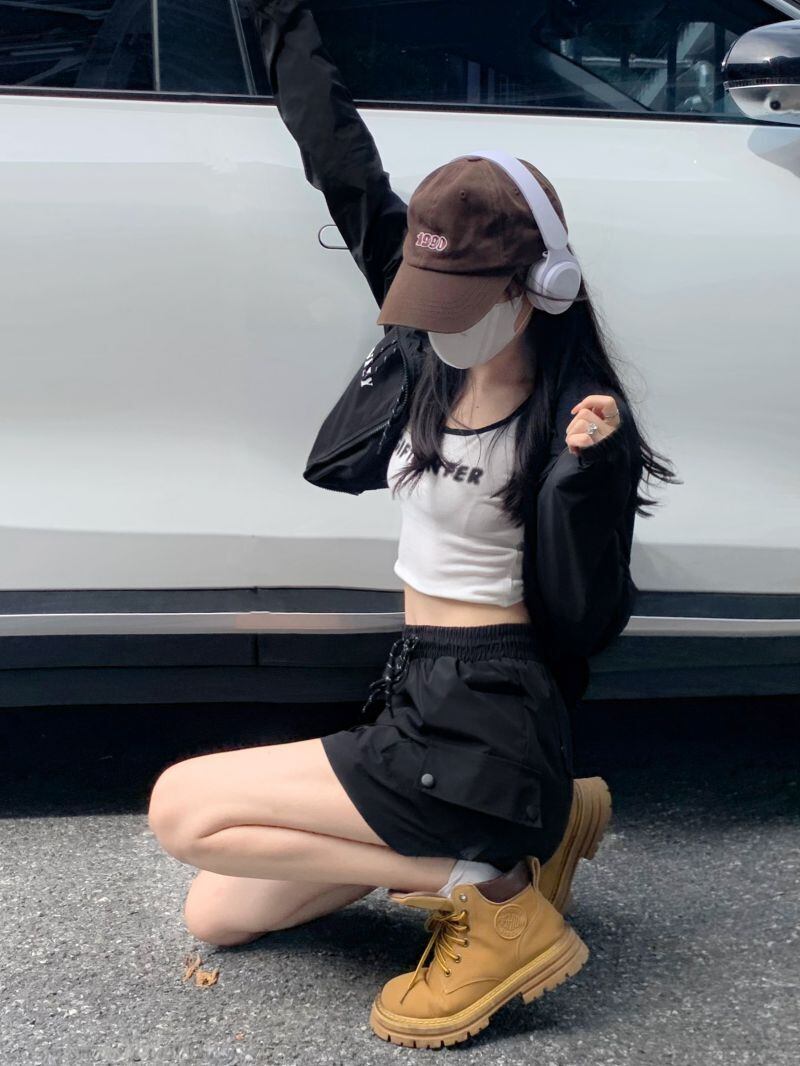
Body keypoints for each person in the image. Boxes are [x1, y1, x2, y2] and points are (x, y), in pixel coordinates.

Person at [148, 0, 678, 1049]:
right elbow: (337, 157)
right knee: (216, 910)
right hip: (415, 693)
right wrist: (275, 15)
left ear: (543, 286)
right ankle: (524, 840)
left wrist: (584, 475)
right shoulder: (424, 344)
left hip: (486, 716)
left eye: (462, 298)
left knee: (182, 808)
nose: (437, 320)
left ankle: (495, 898)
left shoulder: (576, 423)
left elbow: (588, 622)